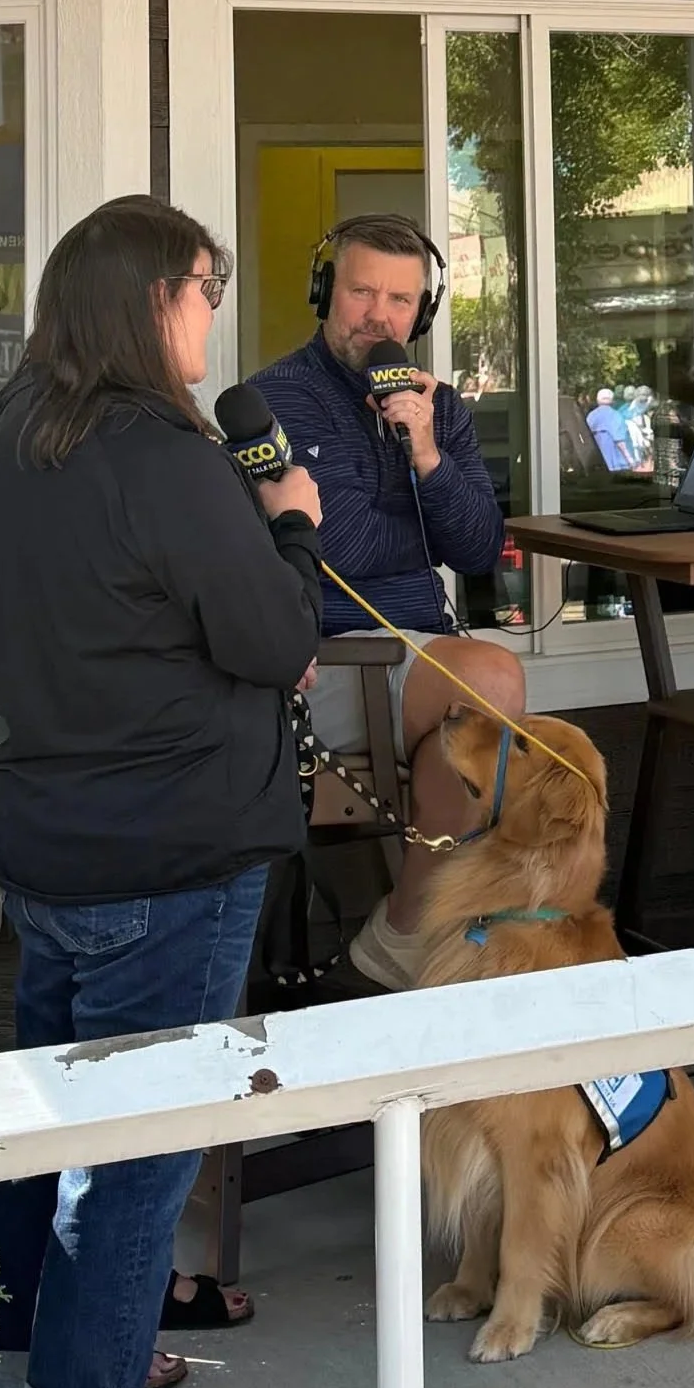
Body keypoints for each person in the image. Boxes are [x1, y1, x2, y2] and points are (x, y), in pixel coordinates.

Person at [0, 195, 324, 1388]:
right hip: (171, 858)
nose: (211, 313)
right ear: (148, 298)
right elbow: (277, 638)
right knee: (130, 1172)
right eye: (203, 287)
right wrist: (291, 518)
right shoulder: (167, 458)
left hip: (53, 851)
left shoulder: (10, 444)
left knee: (32, 1157)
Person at [249, 214, 524, 992]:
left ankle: (409, 940)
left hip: (421, 657)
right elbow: (342, 551)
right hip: (333, 662)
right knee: (493, 684)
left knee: (474, 734)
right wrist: (429, 522)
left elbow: (476, 553)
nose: (381, 315)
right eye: (362, 291)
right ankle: (409, 941)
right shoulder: (277, 401)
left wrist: (429, 455)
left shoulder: (439, 413)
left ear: (422, 315)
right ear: (324, 294)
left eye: (401, 300)